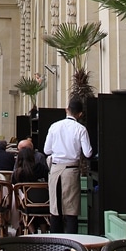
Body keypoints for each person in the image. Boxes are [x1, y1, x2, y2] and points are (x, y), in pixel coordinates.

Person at [43, 97, 92, 234]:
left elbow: (47, 150)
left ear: (66, 110)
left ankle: (55, 246)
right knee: (71, 211)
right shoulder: (81, 129)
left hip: (55, 169)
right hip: (71, 170)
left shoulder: (54, 126)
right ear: (80, 114)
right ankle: (72, 248)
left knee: (55, 209)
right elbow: (88, 153)